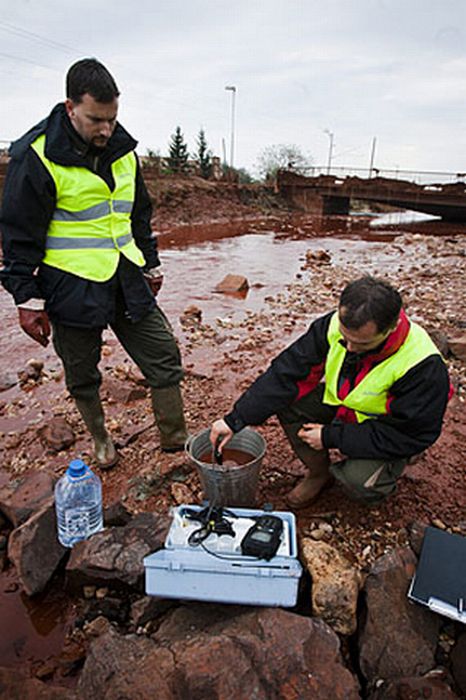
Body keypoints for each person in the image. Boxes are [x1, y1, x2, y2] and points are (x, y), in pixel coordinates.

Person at [0, 58, 187, 468]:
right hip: (71, 285)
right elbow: (17, 234)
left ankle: (175, 444)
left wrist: (150, 264)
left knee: (164, 356)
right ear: (70, 108)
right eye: (96, 119)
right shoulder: (36, 155)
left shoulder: (124, 151)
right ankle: (102, 441)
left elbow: (139, 215)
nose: (106, 129)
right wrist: (26, 299)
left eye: (112, 118)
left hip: (125, 275)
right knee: (82, 373)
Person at [210, 276, 451, 507]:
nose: (350, 347)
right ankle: (319, 474)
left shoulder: (424, 367)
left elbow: (412, 434)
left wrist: (330, 437)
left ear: (393, 326)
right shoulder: (334, 325)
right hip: (347, 407)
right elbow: (287, 373)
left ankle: (391, 467)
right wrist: (235, 420)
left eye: (363, 343)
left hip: (390, 427)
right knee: (288, 400)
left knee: (358, 481)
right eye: (345, 338)